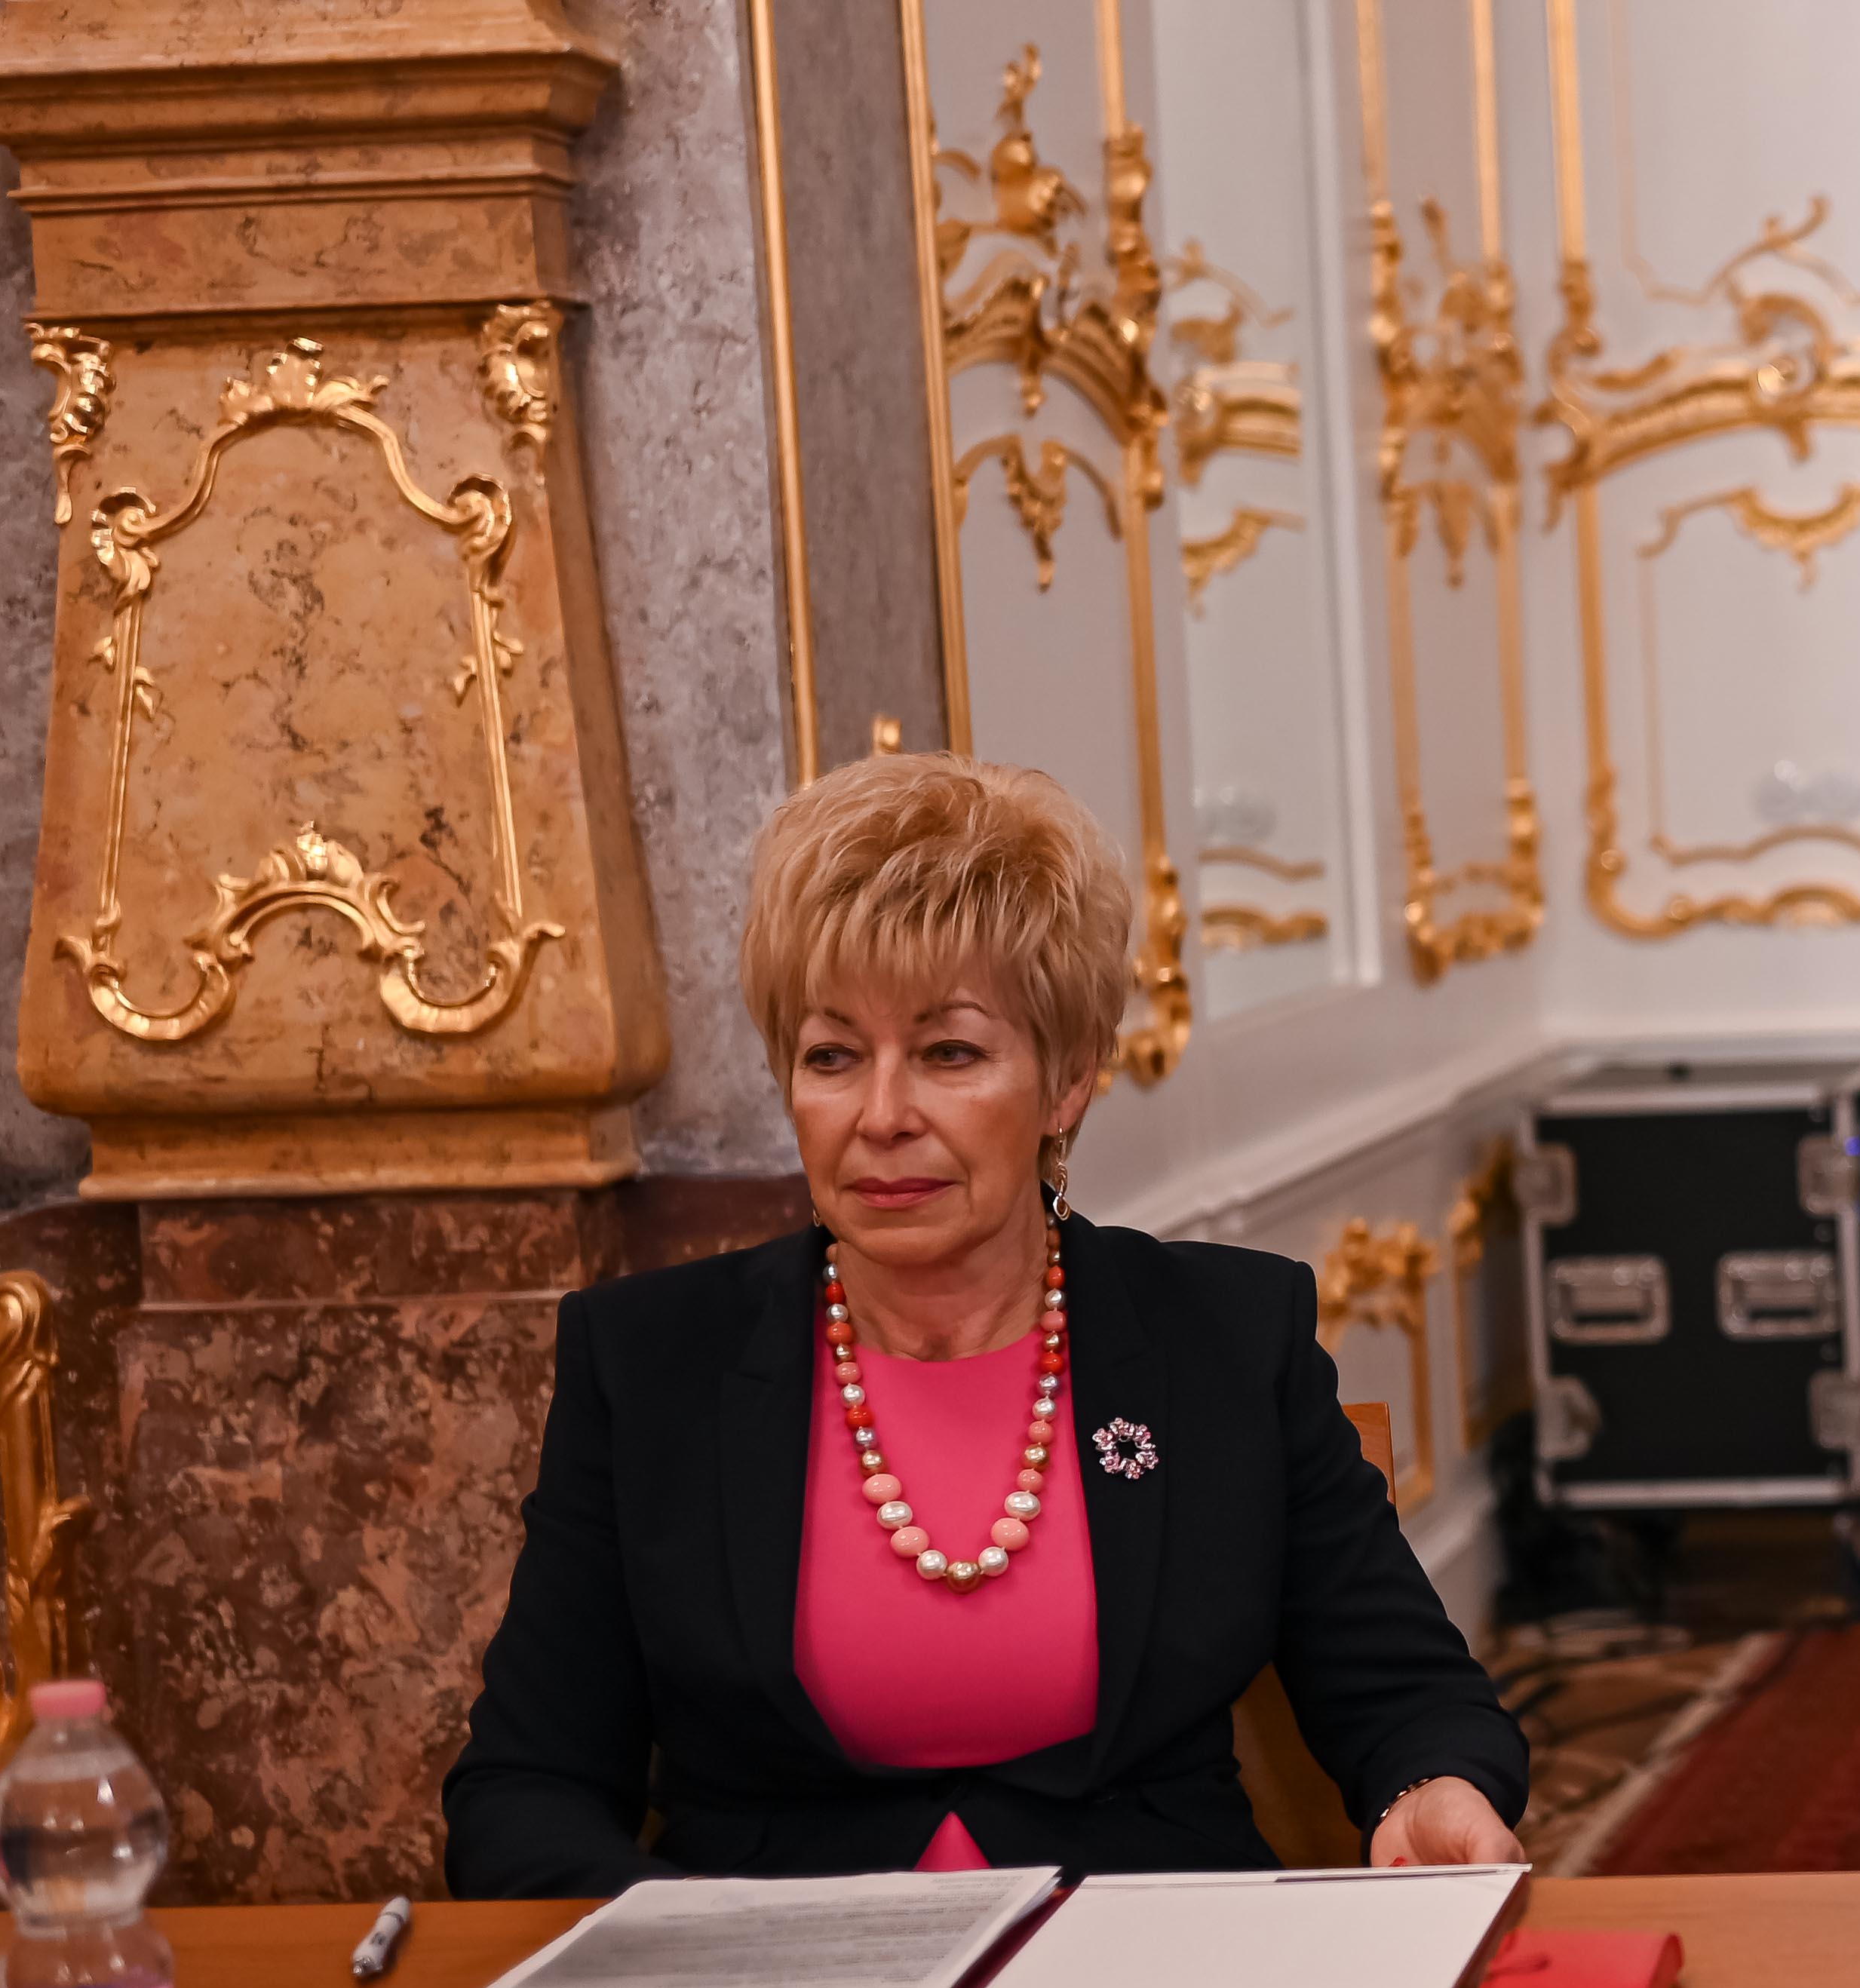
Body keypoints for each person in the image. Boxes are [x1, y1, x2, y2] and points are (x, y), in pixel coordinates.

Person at [447, 753, 1527, 1895]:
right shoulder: (651, 1364)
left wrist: (1432, 1790)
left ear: (1067, 1080)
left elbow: (1408, 1696)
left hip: (1151, 1952)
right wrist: (697, 1952)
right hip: (786, 1981)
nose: (881, 1116)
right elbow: (526, 1788)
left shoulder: (1226, 1339)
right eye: (832, 1056)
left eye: (948, 1053)